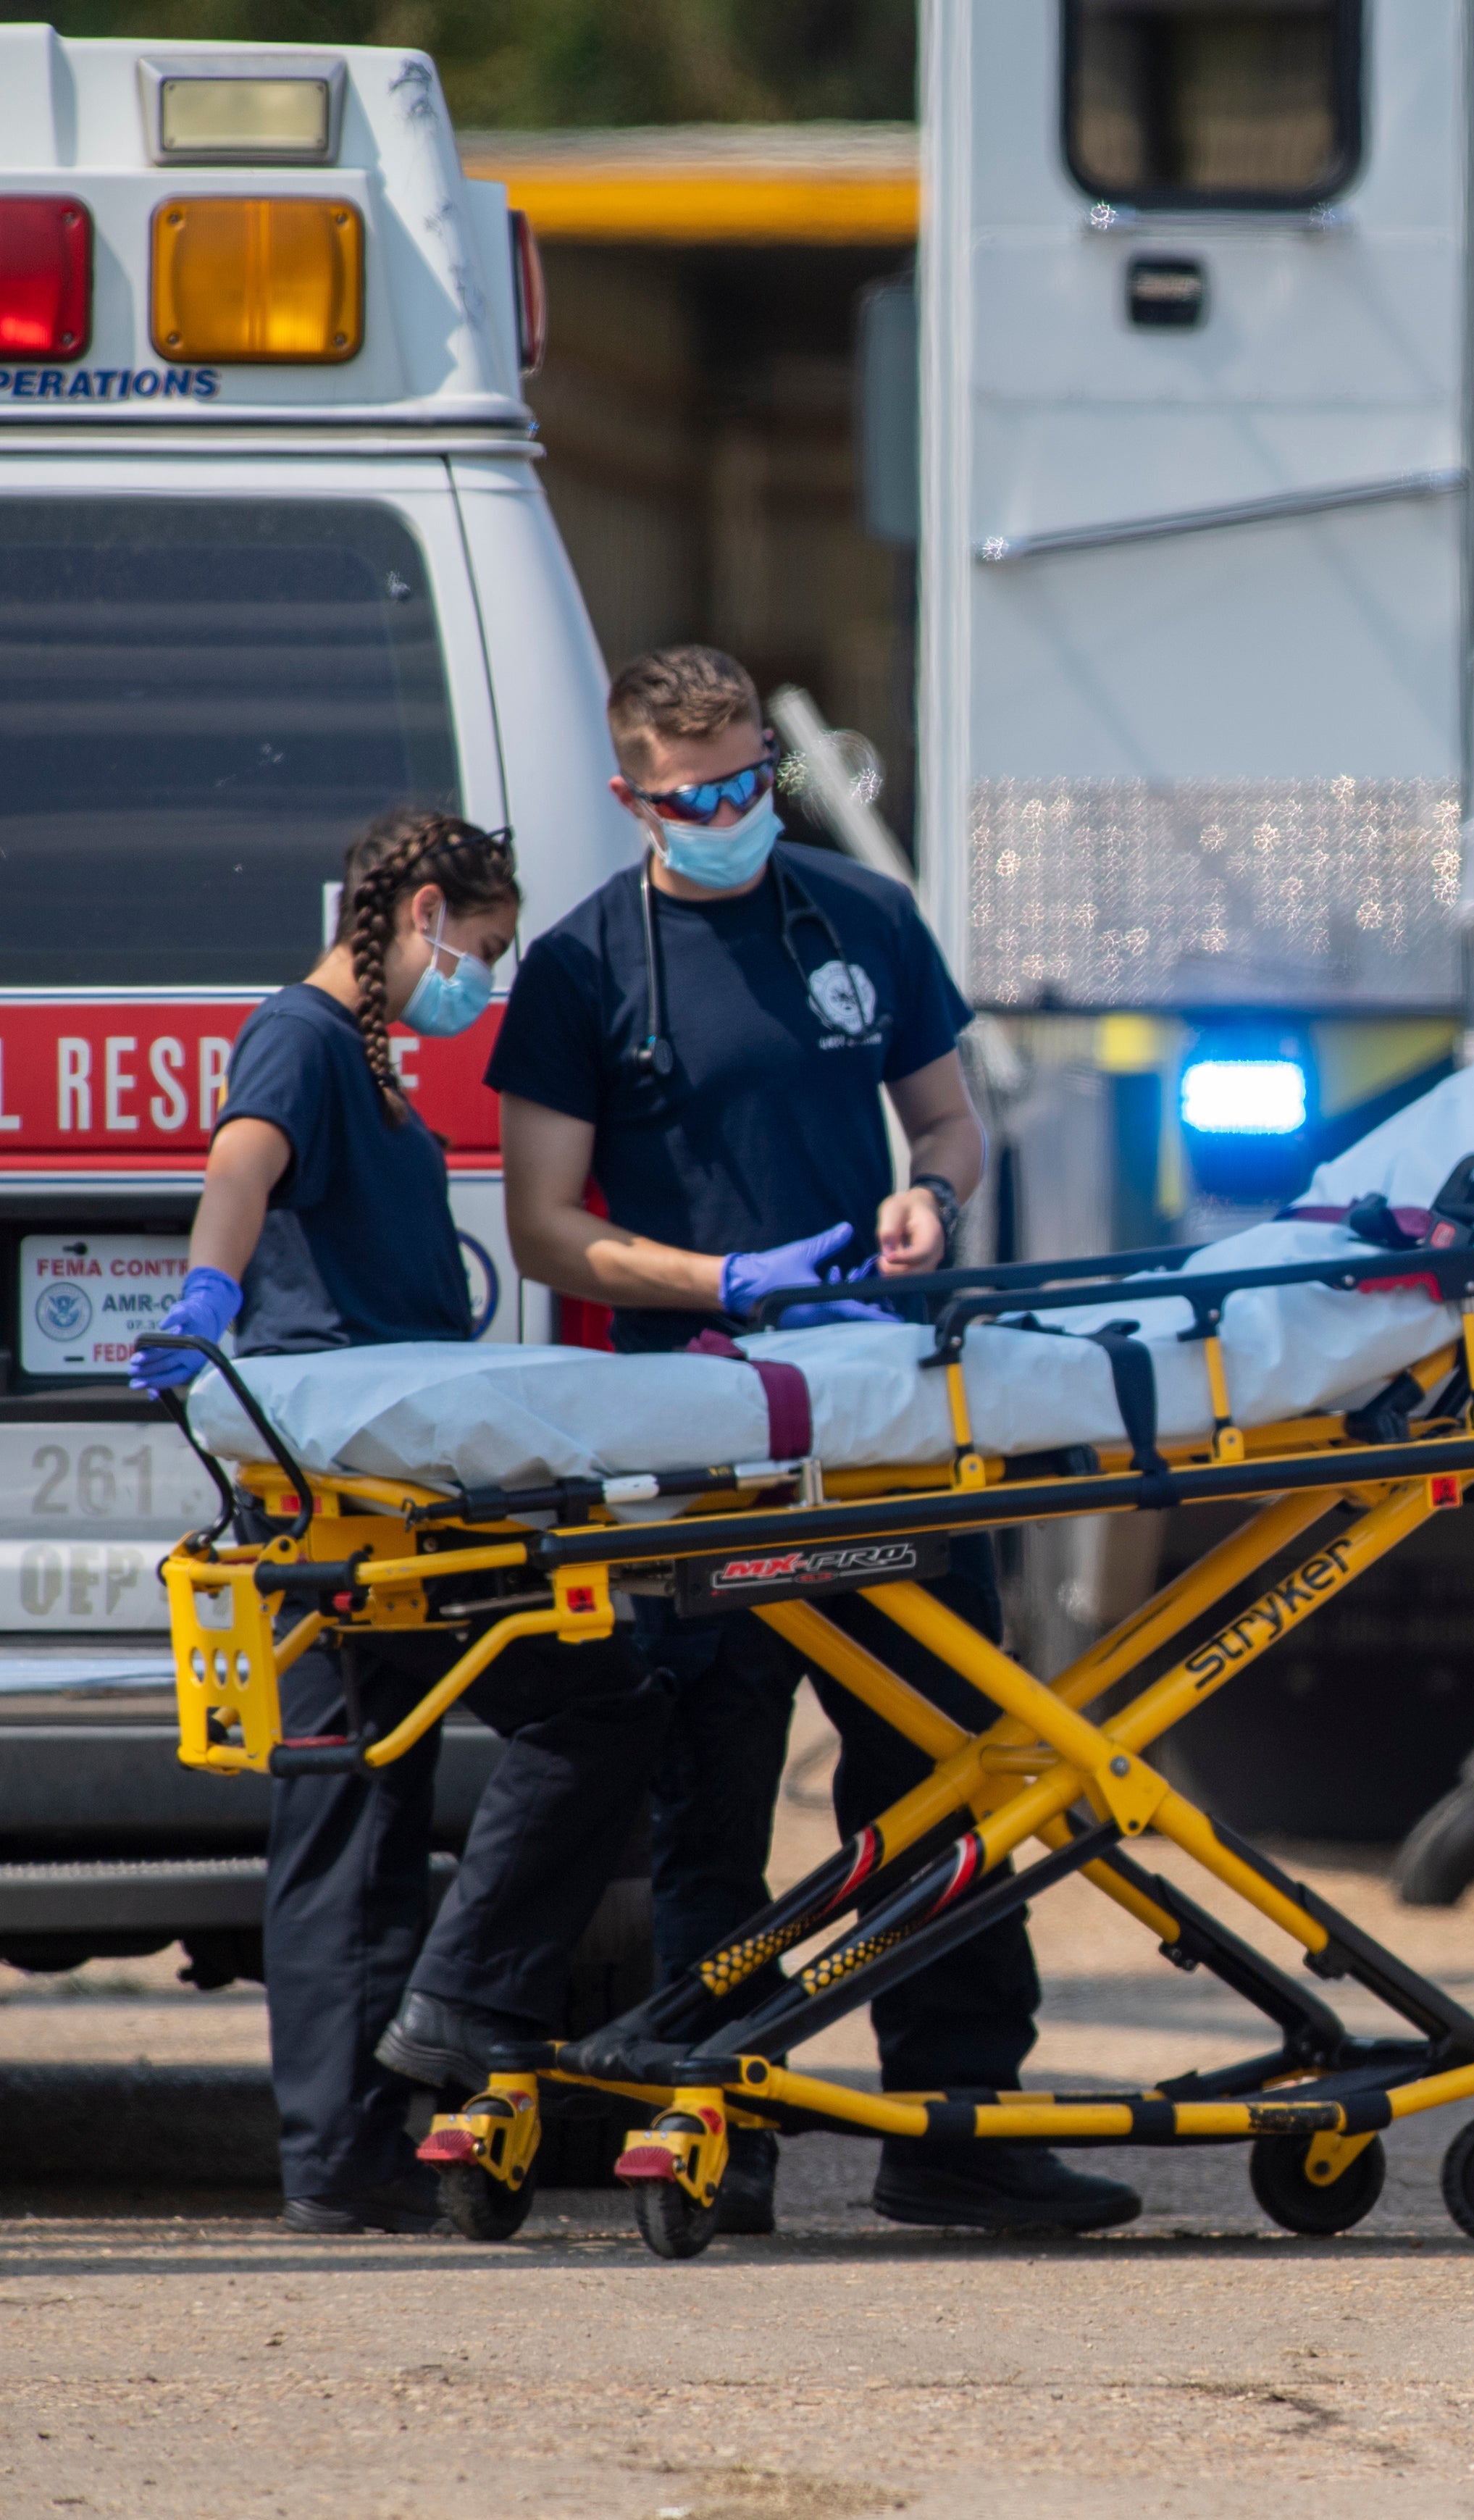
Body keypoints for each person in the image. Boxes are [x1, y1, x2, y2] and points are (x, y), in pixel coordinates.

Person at [487, 645, 1136, 2239]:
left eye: (747, 785)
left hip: (883, 1409)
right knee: (714, 1787)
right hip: (706, 1426)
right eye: (693, 796)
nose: (727, 815)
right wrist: (726, 1281)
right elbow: (546, 1230)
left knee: (945, 1755)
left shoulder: (857, 917)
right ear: (634, 795)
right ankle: (728, 2114)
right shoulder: (586, 968)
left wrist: (936, 1197)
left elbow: (948, 1121)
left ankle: (957, 2117)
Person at [134, 810, 670, 2235]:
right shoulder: (300, 1039)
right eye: (479, 952)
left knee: (387, 1798)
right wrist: (208, 1296)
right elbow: (242, 1166)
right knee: (374, 1803)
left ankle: (408, 2071)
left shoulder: (366, 1060)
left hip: (397, 1496)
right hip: (344, 1508)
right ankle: (360, 2134)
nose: (478, 985)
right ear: (425, 909)